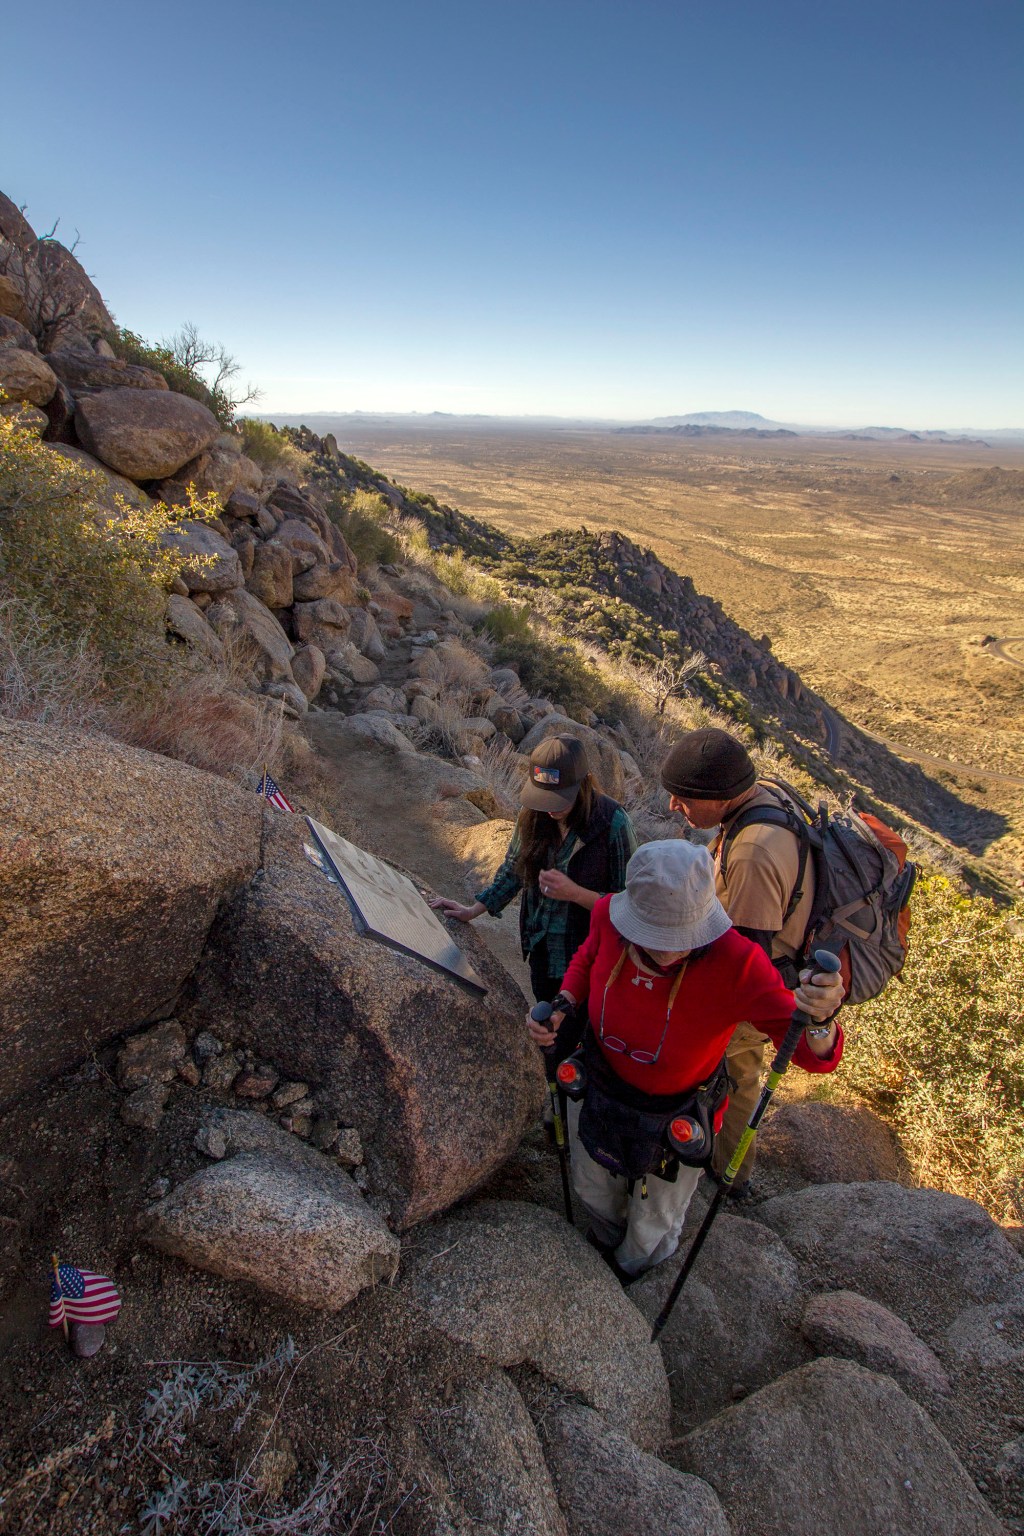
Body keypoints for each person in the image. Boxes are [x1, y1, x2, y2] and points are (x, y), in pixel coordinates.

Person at [526, 839, 844, 1279]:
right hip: (601, 1086)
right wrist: (564, 1000)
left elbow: (809, 1052)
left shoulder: (738, 962)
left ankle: (630, 1273)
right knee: (592, 1184)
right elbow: (588, 958)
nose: (667, 950)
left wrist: (821, 1018)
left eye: (679, 938)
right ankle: (603, 1240)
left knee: (653, 1218)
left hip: (675, 1112)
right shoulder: (608, 917)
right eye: (653, 935)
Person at [659, 727, 841, 1194]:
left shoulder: (756, 850)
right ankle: (731, 1173)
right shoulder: (759, 805)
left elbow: (743, 955)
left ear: (721, 797)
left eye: (684, 798)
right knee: (743, 1077)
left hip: (756, 991)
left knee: (695, 1066)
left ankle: (686, 1161)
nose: (674, 808)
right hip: (773, 982)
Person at [430, 735, 638, 1004]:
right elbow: (515, 869)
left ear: (583, 783)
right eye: (543, 796)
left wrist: (576, 893)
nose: (550, 807)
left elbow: (629, 905)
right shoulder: (534, 813)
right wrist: (474, 910)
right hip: (541, 949)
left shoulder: (613, 823)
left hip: (588, 959)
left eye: (559, 797)